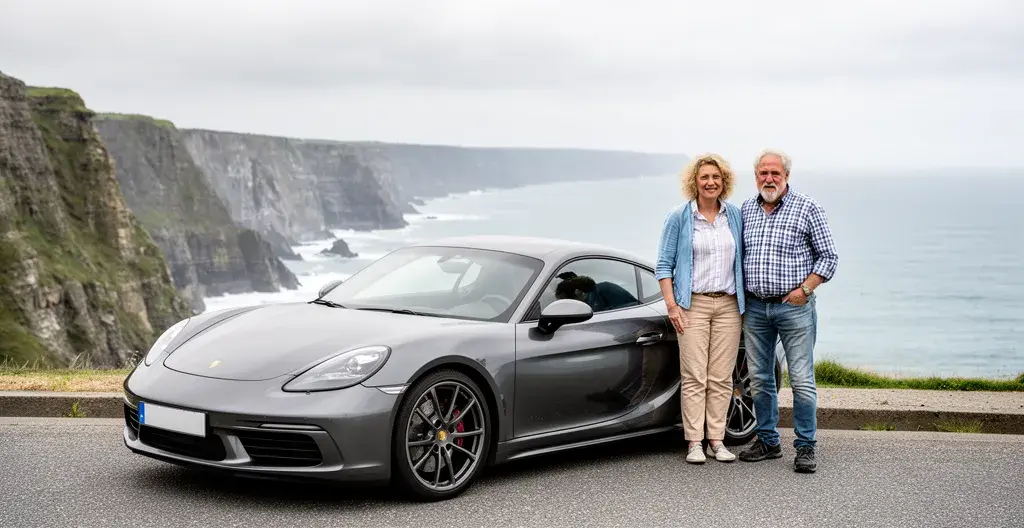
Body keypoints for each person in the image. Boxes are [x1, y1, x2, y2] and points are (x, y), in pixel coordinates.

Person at [737, 149, 839, 473]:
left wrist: (804, 290)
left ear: (786, 177)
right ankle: (768, 441)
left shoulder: (808, 208)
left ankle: (805, 446)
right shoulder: (745, 211)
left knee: (801, 380)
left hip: (793, 308)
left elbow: (829, 257)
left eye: (775, 174)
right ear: (756, 177)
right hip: (755, 307)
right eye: (763, 174)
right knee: (761, 378)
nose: (769, 179)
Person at [655, 153, 746, 464]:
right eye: (705, 177)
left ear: (724, 183)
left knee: (721, 377)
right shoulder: (679, 217)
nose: (711, 182)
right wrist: (672, 307)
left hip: (730, 305)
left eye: (716, 178)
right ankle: (694, 442)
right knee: (695, 375)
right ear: (694, 182)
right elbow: (664, 266)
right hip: (692, 304)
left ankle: (717, 441)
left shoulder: (734, 215)